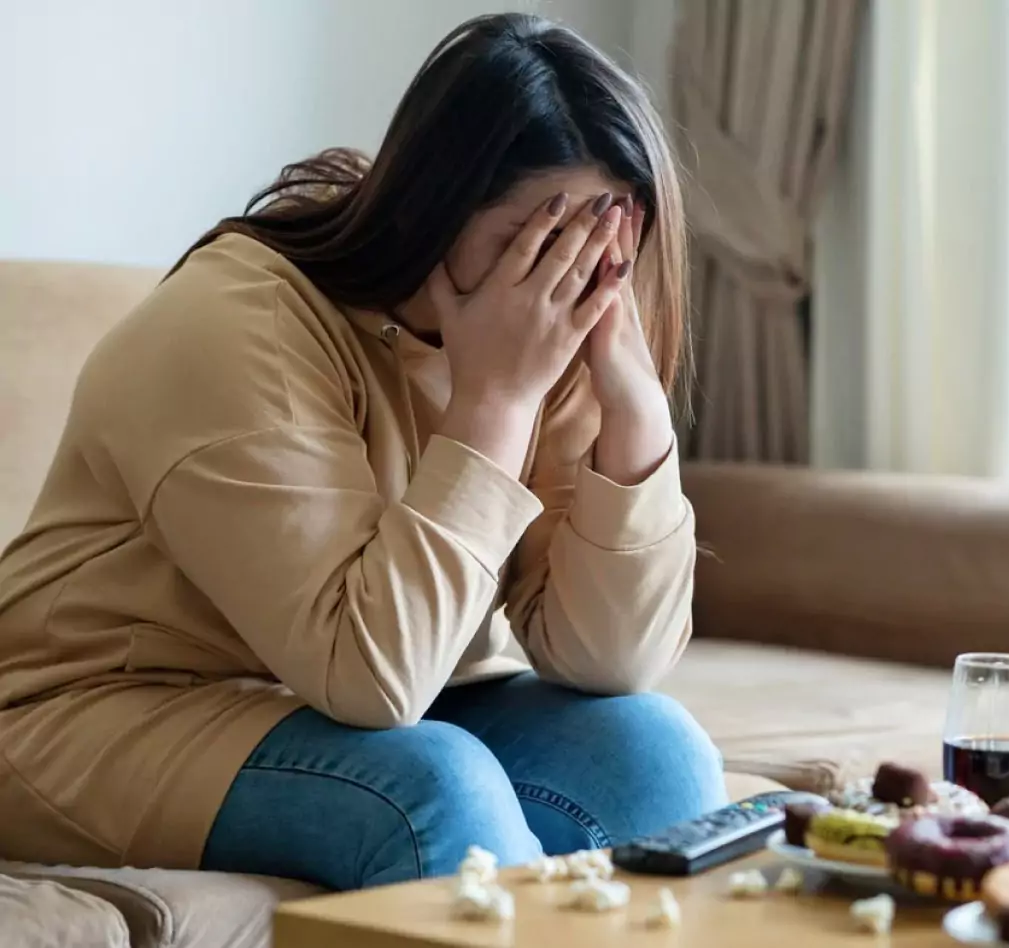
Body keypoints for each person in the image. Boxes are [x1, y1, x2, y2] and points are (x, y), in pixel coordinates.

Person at [0, 13, 726, 891]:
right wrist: (495, 400)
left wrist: (636, 406)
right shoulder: (235, 324)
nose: (561, 279)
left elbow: (609, 660)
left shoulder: (558, 338)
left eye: (595, 248)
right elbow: (373, 679)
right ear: (433, 208)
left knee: (655, 758)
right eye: (531, 243)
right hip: (101, 715)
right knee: (430, 789)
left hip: (344, 705)